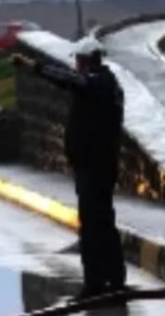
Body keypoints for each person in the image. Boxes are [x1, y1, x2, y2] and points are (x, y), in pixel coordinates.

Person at [12, 37, 126, 299]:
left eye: (78, 61)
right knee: (103, 222)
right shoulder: (105, 84)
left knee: (93, 225)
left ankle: (96, 283)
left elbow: (68, 80)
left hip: (96, 166)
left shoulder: (99, 83)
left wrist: (33, 66)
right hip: (96, 164)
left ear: (86, 60)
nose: (76, 65)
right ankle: (113, 279)